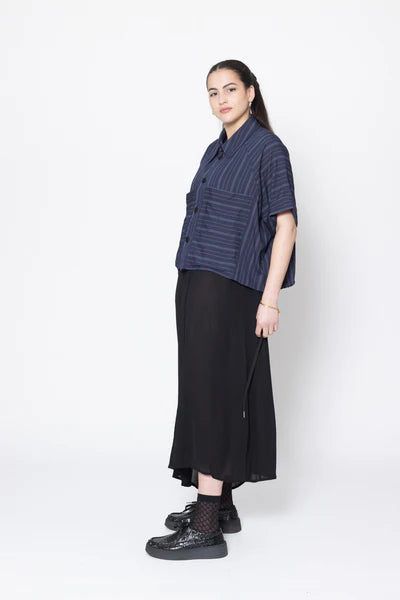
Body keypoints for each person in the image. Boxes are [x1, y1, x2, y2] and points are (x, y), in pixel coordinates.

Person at [145, 59, 298, 560]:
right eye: (213, 92)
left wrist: (270, 299)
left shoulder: (268, 149)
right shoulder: (215, 151)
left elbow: (286, 226)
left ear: (251, 92)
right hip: (197, 282)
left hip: (231, 290)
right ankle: (221, 504)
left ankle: (206, 528)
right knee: (201, 390)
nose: (221, 99)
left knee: (215, 394)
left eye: (230, 89)